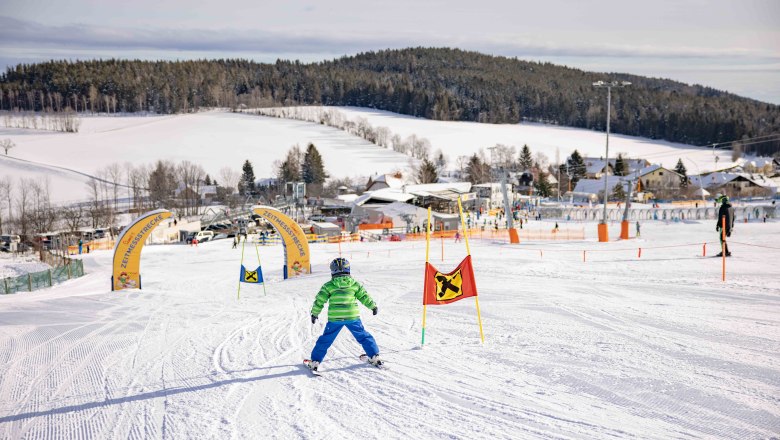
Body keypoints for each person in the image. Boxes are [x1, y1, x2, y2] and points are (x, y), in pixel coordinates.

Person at [308, 258, 380, 372]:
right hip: (352, 317)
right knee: (363, 336)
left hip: (335, 318)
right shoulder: (354, 284)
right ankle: (374, 356)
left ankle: (315, 361)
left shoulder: (328, 285)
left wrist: (315, 313)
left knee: (326, 339)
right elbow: (364, 296)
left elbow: (320, 300)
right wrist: (373, 306)